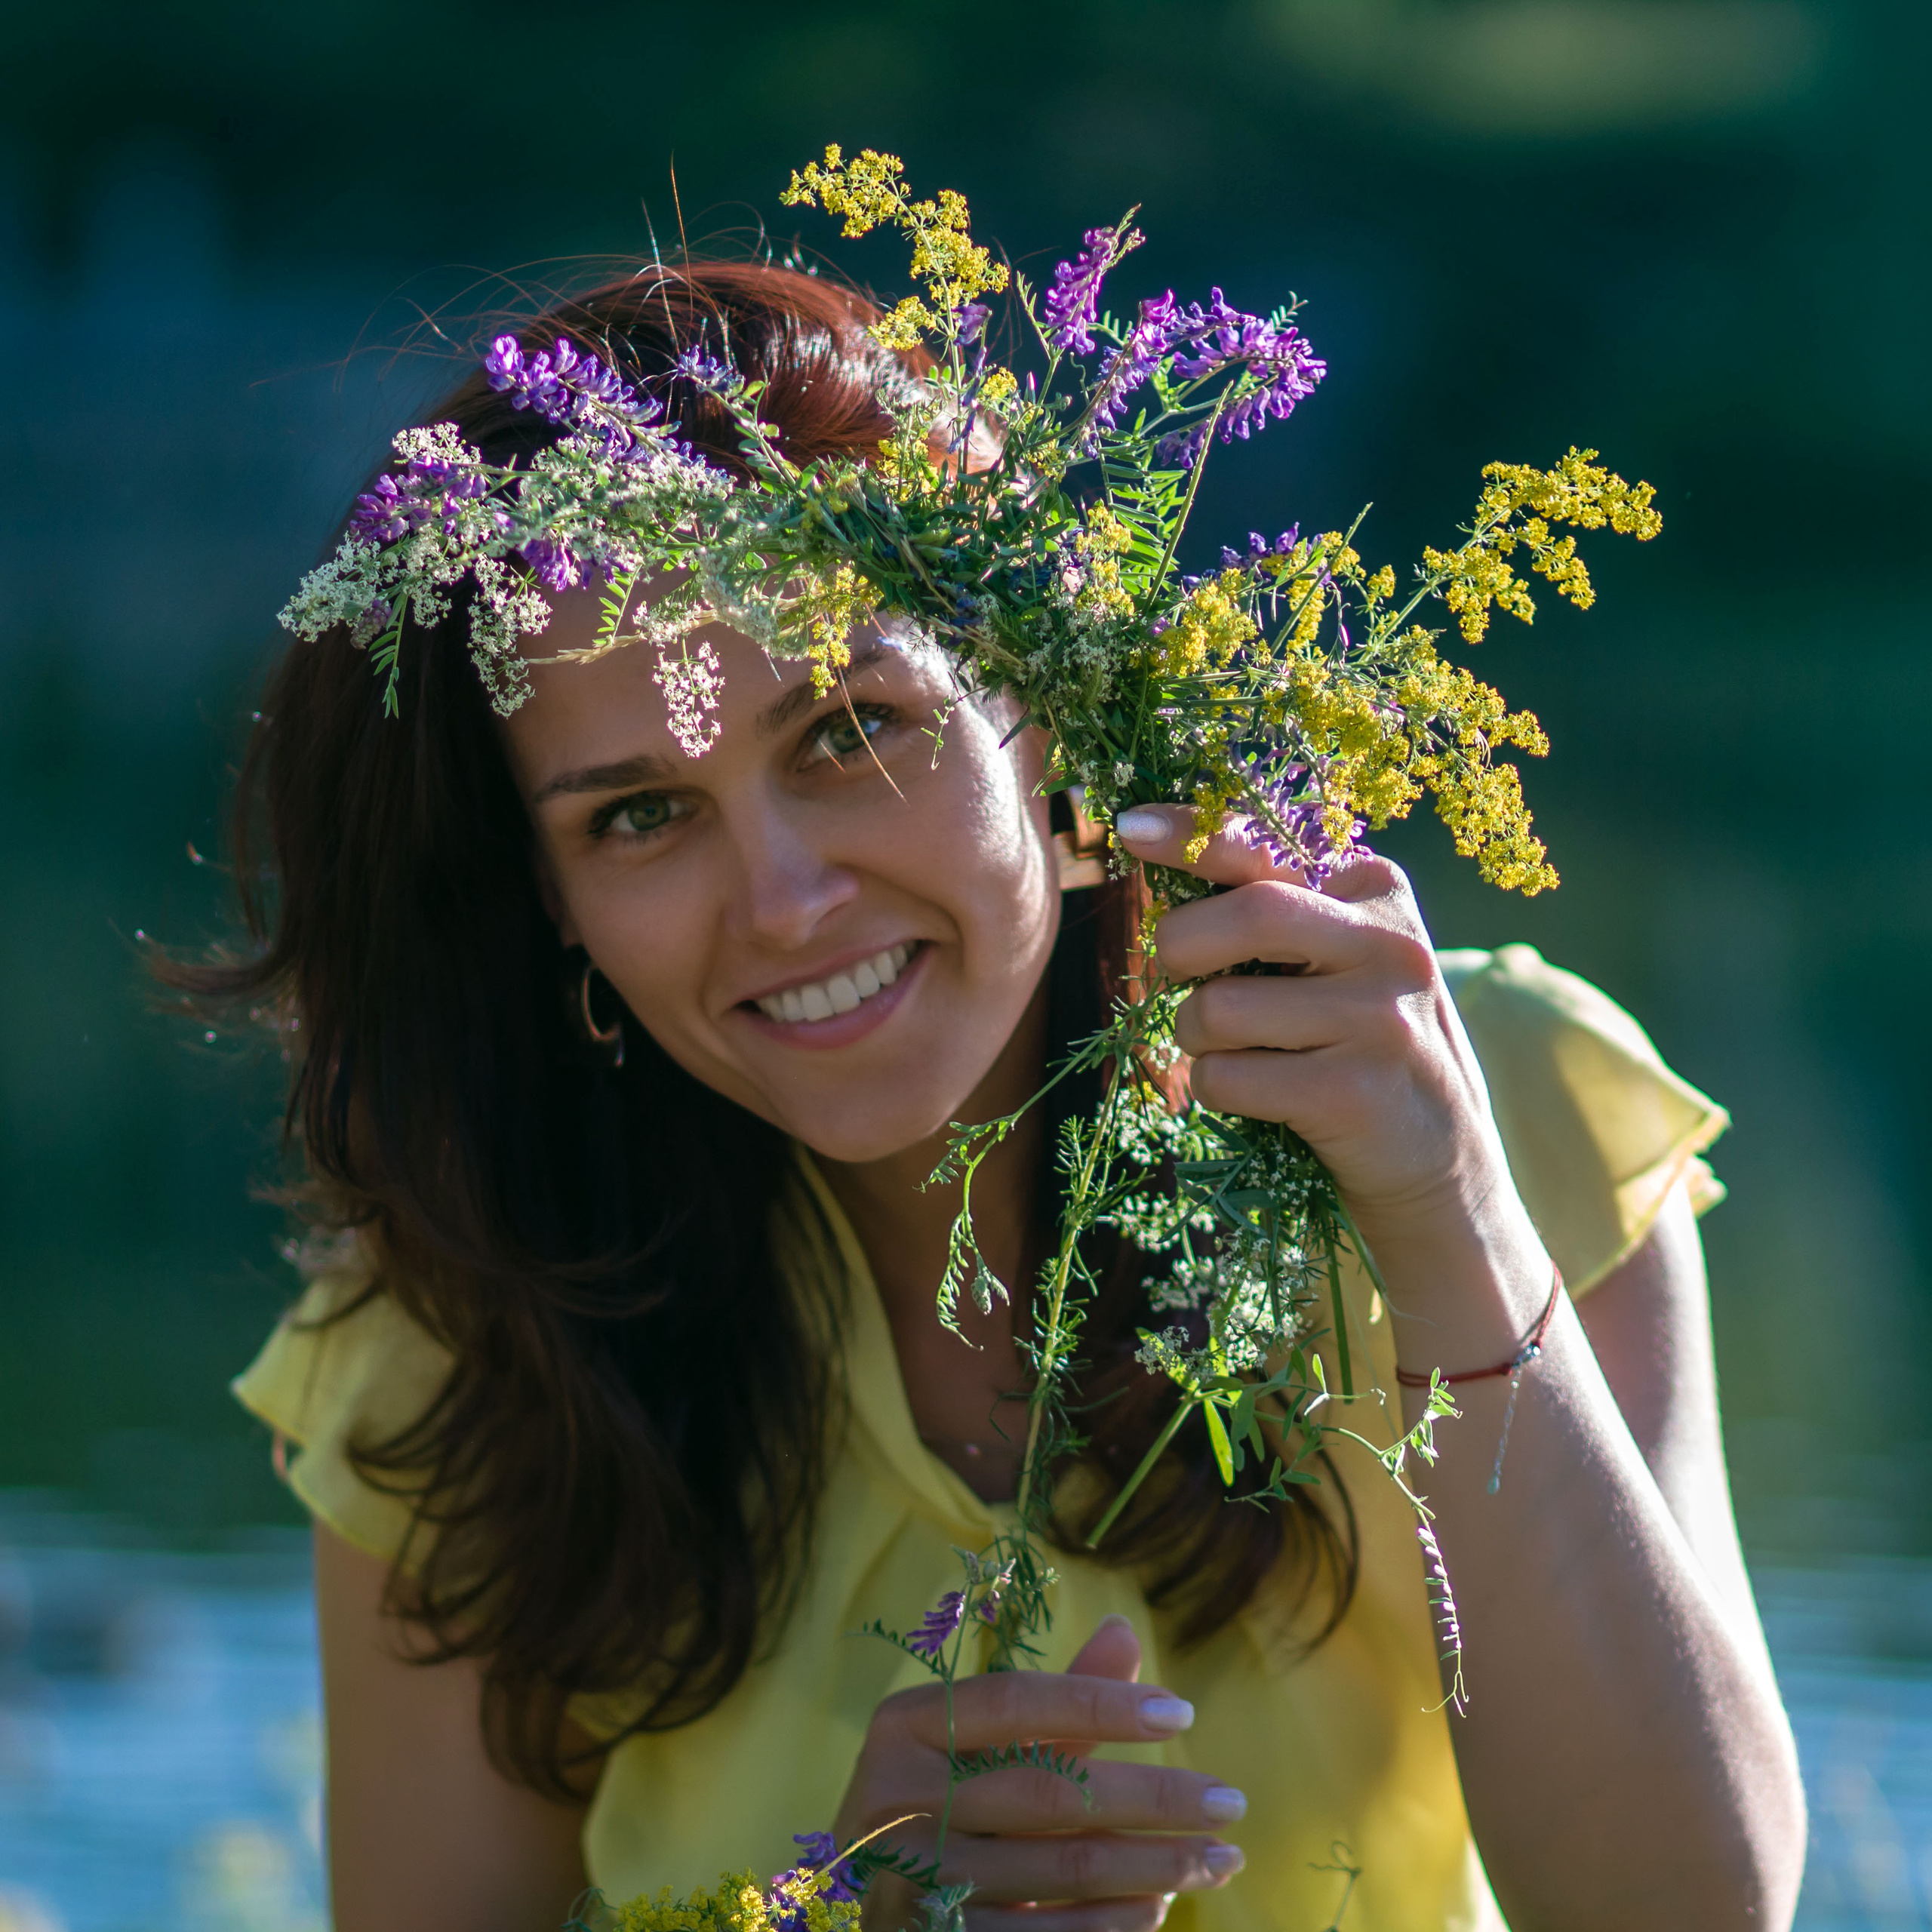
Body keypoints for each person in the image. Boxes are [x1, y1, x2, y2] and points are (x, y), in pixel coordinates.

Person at [191, 263, 1804, 1932]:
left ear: (1046, 728)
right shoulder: (461, 1331)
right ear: (550, 906)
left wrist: (1445, 1215)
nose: (785, 898)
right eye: (638, 816)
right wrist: (831, 1914)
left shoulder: (1498, 1108)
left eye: (849, 729)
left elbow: (1689, 1909)